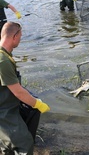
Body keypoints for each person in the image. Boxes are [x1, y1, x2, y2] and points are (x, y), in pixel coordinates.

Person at [0, 22, 50, 154]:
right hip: (3, 112)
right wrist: (37, 104)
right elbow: (18, 92)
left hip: (6, 105)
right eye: (20, 36)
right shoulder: (3, 61)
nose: (21, 39)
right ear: (14, 36)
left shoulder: (4, 55)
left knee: (7, 145)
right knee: (24, 143)